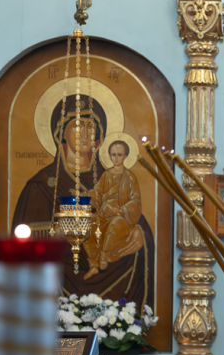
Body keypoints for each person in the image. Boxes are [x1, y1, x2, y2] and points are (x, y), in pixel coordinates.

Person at [12, 95, 155, 309]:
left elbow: (133, 211)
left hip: (115, 277)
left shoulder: (113, 178)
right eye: (78, 125)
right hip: (60, 278)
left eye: (91, 126)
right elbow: (21, 240)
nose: (86, 133)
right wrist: (56, 232)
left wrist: (139, 233)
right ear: (61, 132)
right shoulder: (41, 184)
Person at [83, 140, 143, 280]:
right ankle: (93, 265)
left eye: (119, 155)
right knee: (89, 228)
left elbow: (135, 200)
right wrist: (87, 196)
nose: (116, 158)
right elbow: (97, 192)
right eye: (113, 155)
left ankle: (105, 258)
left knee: (115, 225)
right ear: (109, 156)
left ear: (125, 156)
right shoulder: (106, 175)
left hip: (120, 216)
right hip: (104, 214)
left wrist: (120, 210)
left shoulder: (129, 177)